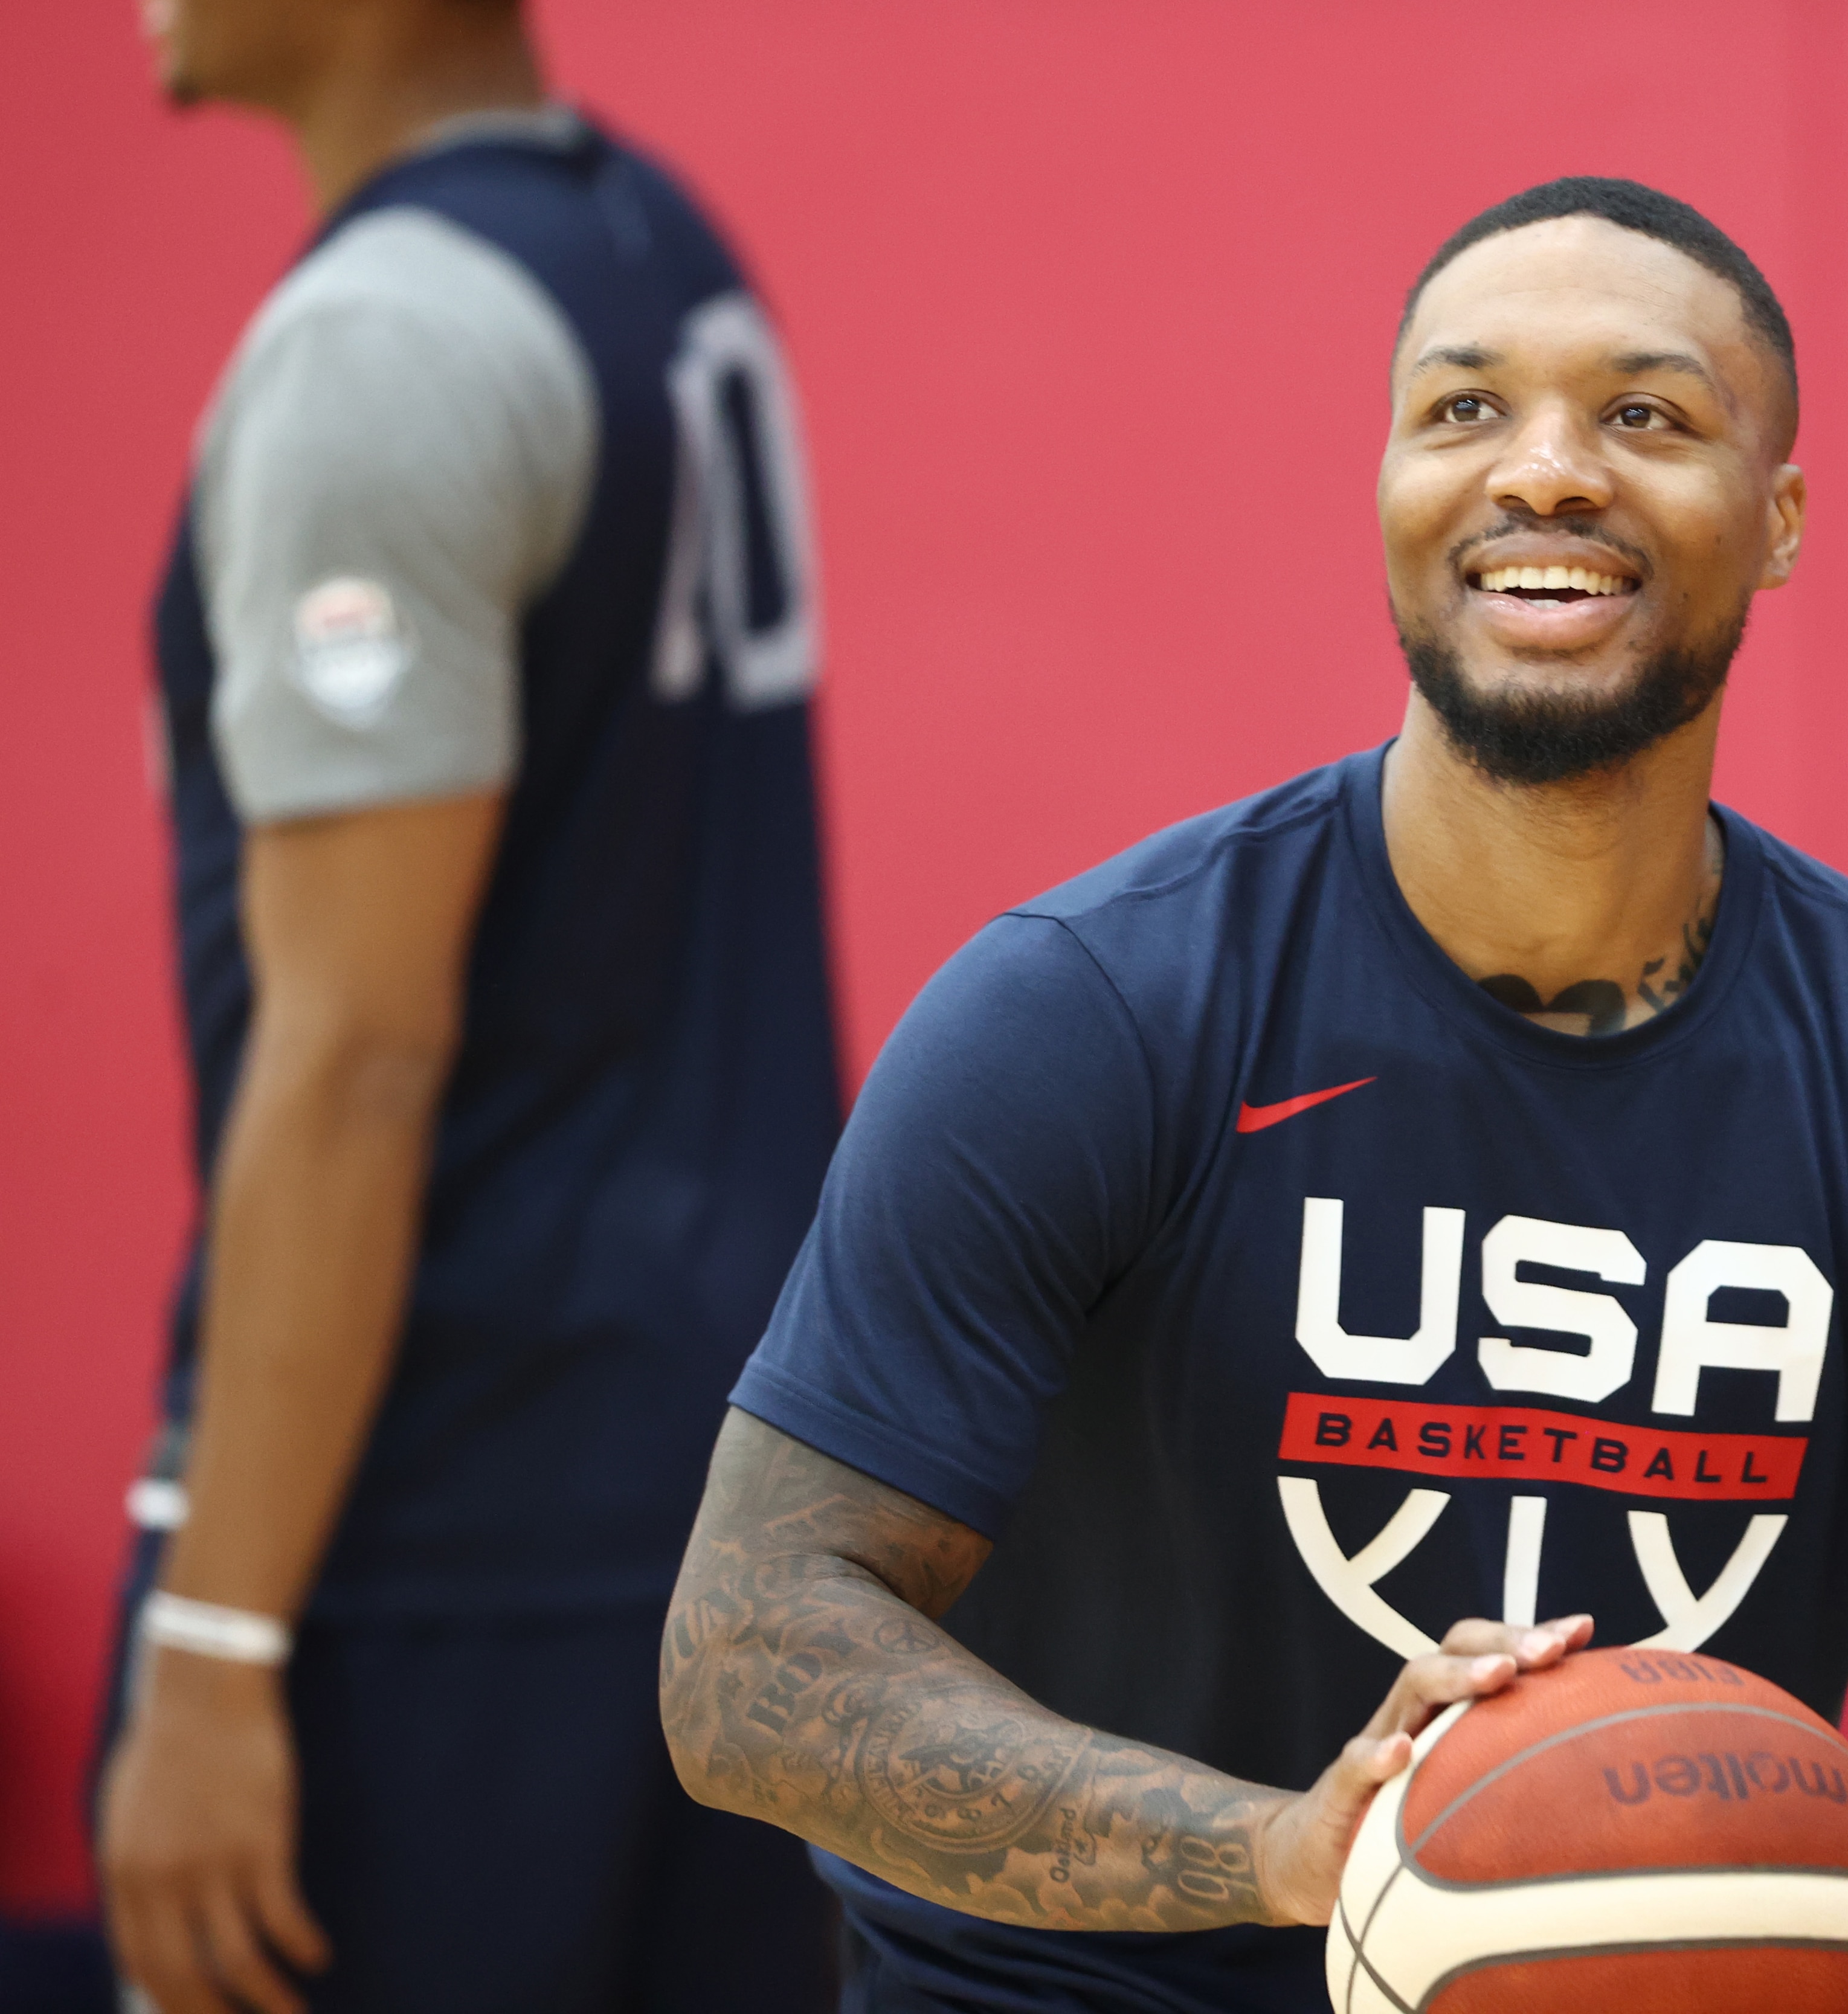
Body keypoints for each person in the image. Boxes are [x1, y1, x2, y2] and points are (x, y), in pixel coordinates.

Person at [662, 176, 1848, 2014]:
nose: (1544, 472)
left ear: (1777, 522)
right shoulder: (1090, 1010)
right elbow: (750, 1656)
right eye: (1464, 409)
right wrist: (1291, 1853)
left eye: (1648, 414)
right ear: (1386, 495)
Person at [95, 1, 845, 2009]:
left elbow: (356, 1056)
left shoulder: (383, 347)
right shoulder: (658, 244)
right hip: (741, 1497)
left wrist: (217, 1645)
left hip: (449, 1537)